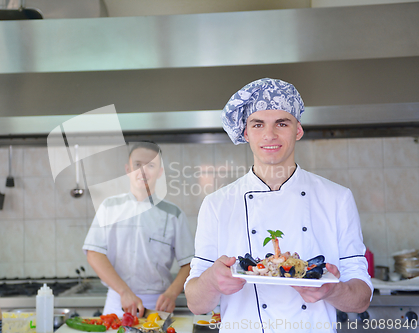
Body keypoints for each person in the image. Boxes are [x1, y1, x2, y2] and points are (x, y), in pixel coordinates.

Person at [184, 78, 373, 333]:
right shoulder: (217, 204)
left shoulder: (337, 198)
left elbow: (361, 299)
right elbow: (196, 303)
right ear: (246, 133)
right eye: (258, 124)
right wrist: (211, 282)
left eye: (281, 123)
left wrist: (334, 290)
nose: (269, 135)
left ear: (297, 130)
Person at [83, 141, 194, 317]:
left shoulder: (174, 214)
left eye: (151, 165)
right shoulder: (109, 207)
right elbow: (94, 253)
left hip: (158, 306)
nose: (143, 171)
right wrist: (124, 292)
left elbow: (189, 263)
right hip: (118, 302)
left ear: (160, 172)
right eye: (137, 165)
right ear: (128, 169)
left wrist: (172, 293)